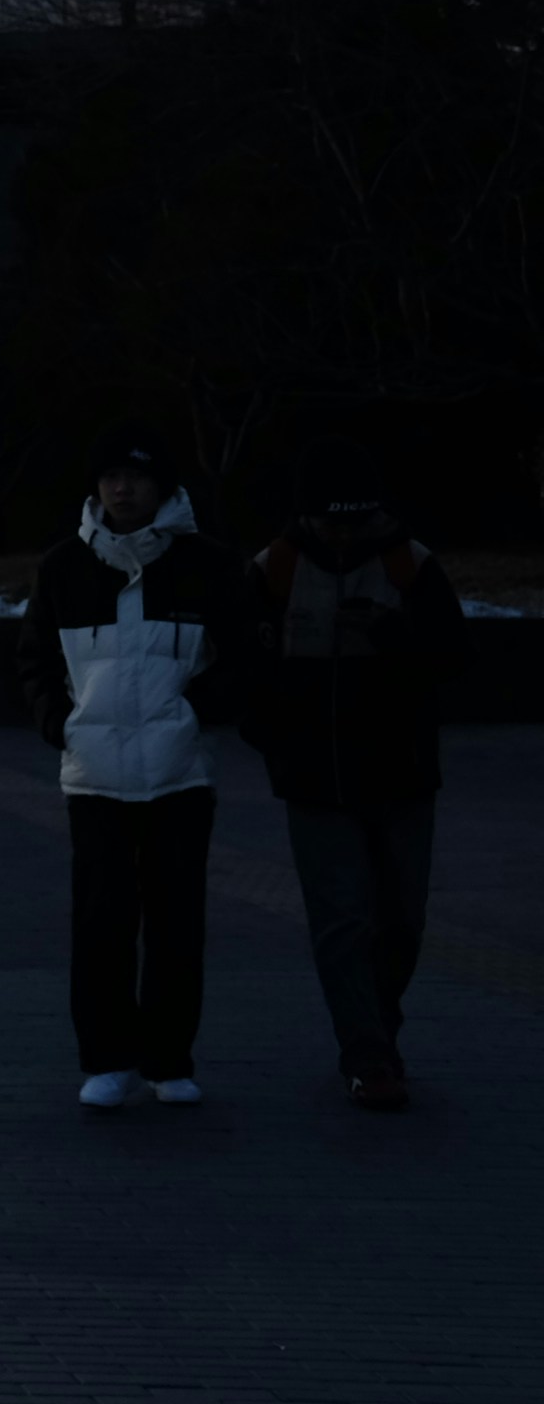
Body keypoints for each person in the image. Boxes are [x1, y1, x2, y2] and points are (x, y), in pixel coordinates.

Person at [16, 445, 256, 1111]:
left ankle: (169, 1060)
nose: (122, 489)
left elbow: (242, 655)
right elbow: (33, 658)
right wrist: (59, 722)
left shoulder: (206, 563)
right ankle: (106, 1060)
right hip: (94, 776)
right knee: (101, 923)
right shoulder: (64, 566)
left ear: (162, 487)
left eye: (136, 477)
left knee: (177, 923)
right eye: (111, 476)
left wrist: (194, 713)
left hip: (181, 773)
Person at [235, 462, 466, 1111]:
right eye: (328, 521)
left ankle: (378, 1027)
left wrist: (393, 636)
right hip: (316, 780)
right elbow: (243, 667)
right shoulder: (274, 568)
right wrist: (276, 739)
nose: (341, 535)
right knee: (342, 920)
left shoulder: (409, 564)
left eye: (354, 520)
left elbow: (456, 657)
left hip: (402, 775)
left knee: (402, 919)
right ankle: (366, 1052)